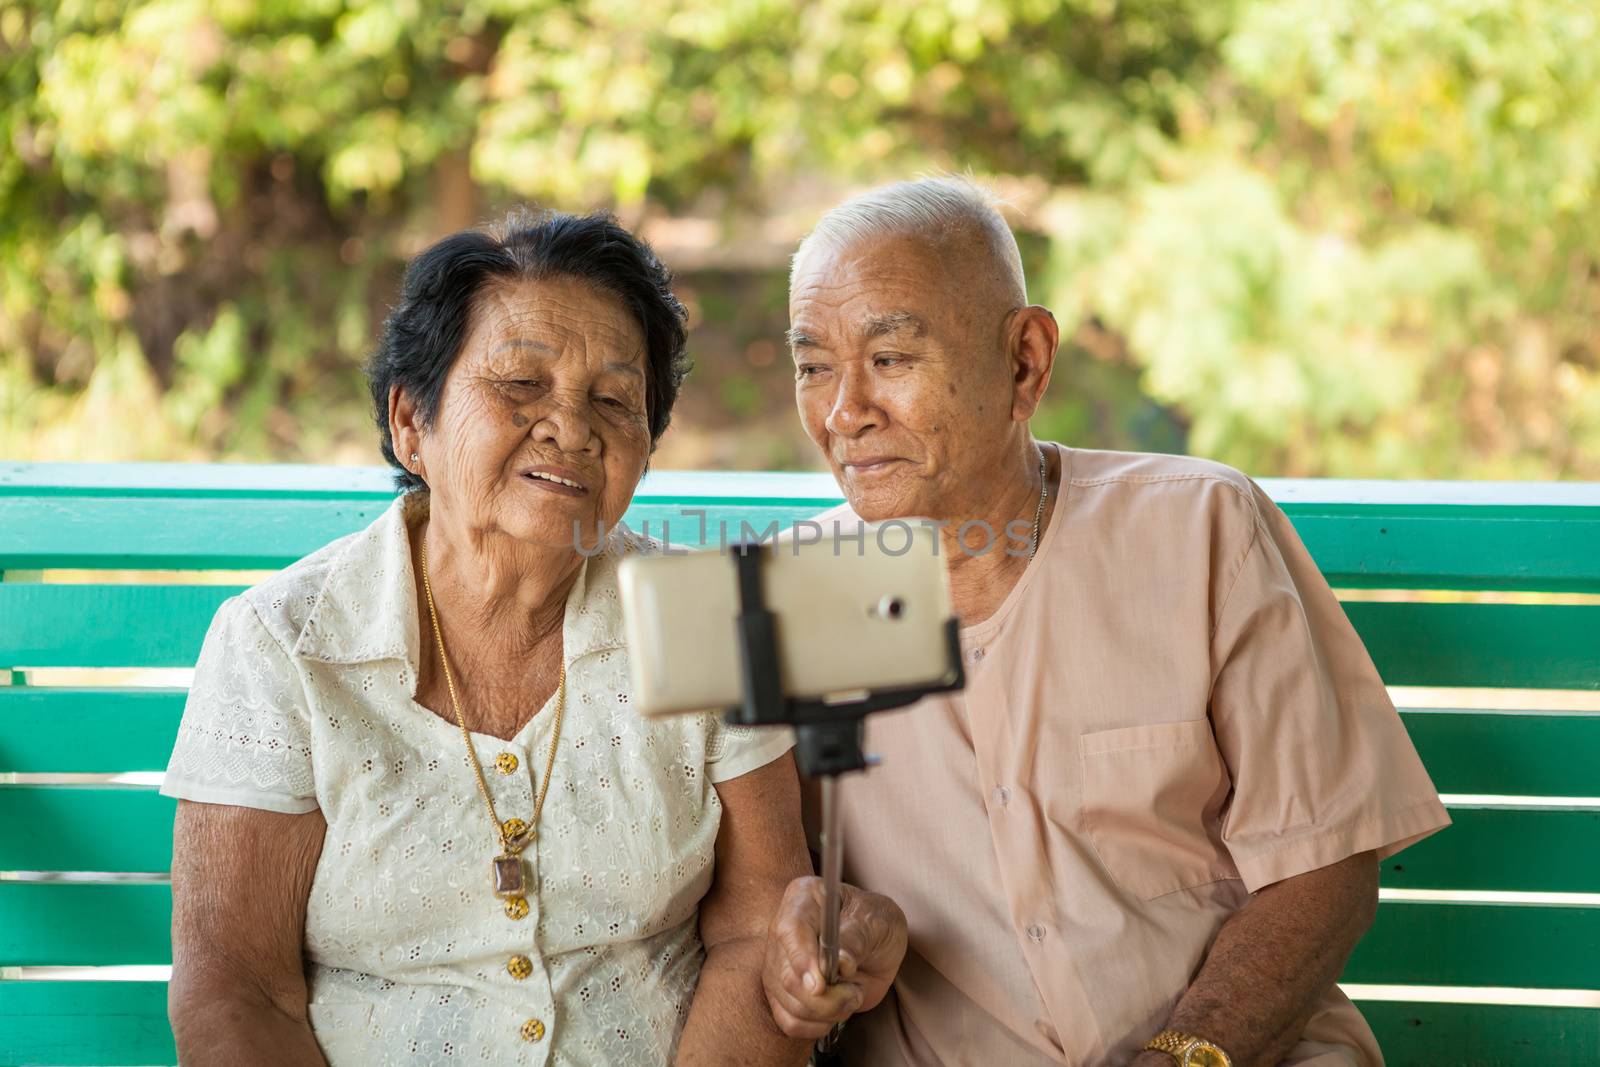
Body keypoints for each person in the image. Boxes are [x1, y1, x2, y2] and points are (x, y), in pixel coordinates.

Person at [761, 178, 1451, 1067]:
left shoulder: (1197, 528)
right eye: (813, 365)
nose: (844, 411)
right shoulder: (797, 595)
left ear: (1024, 362)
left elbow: (1324, 864)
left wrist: (1185, 1055)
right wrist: (819, 930)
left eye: (890, 358)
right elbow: (763, 905)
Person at [163, 209, 875, 1066]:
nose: (572, 428)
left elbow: (758, 931)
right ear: (410, 423)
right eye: (520, 387)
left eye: (615, 400)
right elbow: (237, 986)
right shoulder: (284, 644)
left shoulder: (709, 616)